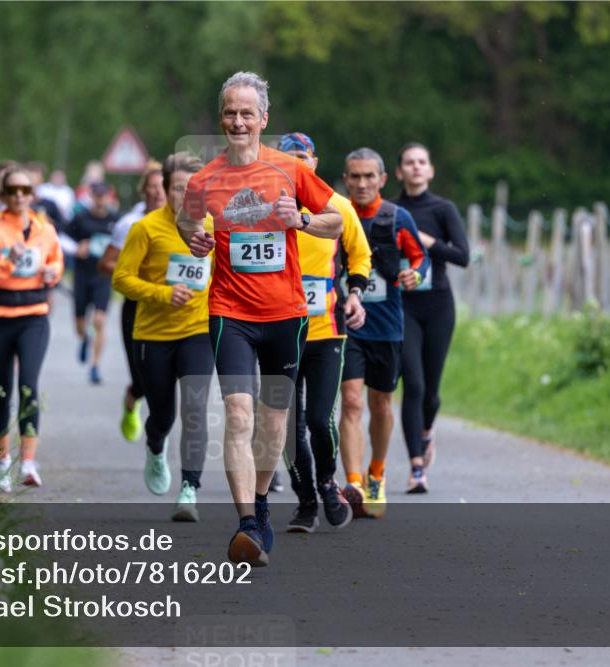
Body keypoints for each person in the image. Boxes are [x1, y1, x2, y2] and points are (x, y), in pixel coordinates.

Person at [177, 72, 342, 566]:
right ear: (220, 117)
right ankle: (246, 523)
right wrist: (196, 239)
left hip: (287, 315)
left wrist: (303, 221)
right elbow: (188, 221)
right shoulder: (205, 179)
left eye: (247, 113)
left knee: (273, 427)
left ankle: (264, 504)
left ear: (263, 119)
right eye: (230, 112)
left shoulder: (290, 169)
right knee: (239, 415)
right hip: (230, 312)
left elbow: (336, 220)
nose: (238, 121)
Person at [275, 132, 372, 534]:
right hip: (278, 331)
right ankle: (305, 501)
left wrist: (355, 294)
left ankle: (328, 482)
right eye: (287, 157)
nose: (296, 163)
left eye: (302, 156)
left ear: (314, 162)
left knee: (319, 419)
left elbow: (360, 255)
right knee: (286, 425)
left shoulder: (339, 207)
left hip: (326, 332)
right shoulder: (260, 207)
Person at [113, 152, 214, 521]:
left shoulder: (213, 228)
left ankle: (190, 488)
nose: (185, 195)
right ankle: (155, 445)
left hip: (198, 331)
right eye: (178, 188)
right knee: (162, 414)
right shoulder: (146, 228)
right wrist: (163, 293)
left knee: (195, 409)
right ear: (166, 189)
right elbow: (121, 279)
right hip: (153, 334)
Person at [339, 148, 430, 518]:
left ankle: (377, 472)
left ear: (381, 179)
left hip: (387, 326)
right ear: (345, 179)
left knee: (379, 404)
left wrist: (415, 274)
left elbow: (421, 257)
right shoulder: (336, 214)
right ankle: (354, 482)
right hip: (345, 326)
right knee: (350, 401)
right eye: (354, 177)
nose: (361, 184)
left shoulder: (397, 217)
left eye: (368, 177)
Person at [0, 166, 63, 493]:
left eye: (25, 190)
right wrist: (9, 262)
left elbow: (56, 262)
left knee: (28, 386)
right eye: (13, 190)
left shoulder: (45, 230)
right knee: (0, 391)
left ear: (32, 194)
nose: (20, 196)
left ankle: (28, 462)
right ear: (4, 195)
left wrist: (53, 271)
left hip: (34, 317)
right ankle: (0, 461)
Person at [395, 143, 470, 489]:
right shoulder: (391, 211)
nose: (415, 167)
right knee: (414, 383)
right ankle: (416, 468)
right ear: (398, 172)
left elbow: (463, 256)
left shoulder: (443, 209)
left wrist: (427, 241)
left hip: (439, 304)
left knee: (432, 392)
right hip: (403, 304)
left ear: (430, 170)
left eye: (421, 162)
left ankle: (427, 431)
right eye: (409, 163)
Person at [99, 160, 166, 442]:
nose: (157, 192)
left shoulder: (183, 221)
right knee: (141, 378)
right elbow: (105, 264)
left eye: (162, 186)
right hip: (137, 305)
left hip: (169, 304)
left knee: (167, 375)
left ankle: (160, 424)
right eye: (151, 187)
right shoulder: (129, 223)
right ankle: (132, 400)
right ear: (143, 192)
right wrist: (135, 275)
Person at [66, 181, 118, 384]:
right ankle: (84, 338)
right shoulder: (80, 218)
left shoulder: (116, 219)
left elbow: (127, 241)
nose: (100, 199)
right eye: (97, 195)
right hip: (82, 275)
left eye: (103, 195)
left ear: (109, 196)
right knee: (80, 324)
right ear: (91, 196)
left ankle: (95, 366)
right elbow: (63, 236)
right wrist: (76, 247)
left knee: (99, 320)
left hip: (103, 276)